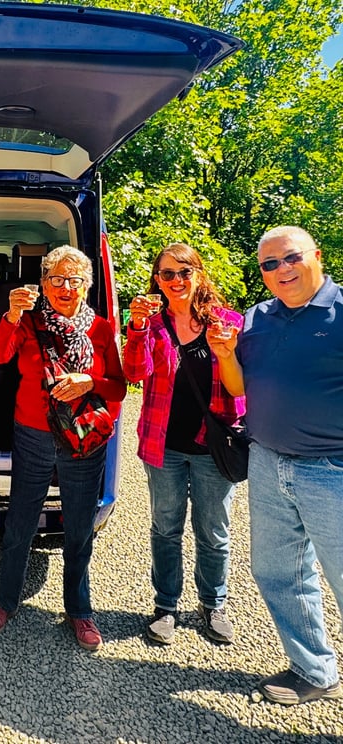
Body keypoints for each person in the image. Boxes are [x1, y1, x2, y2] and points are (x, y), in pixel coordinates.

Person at [210, 226, 343, 704]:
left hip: (332, 470)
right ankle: (313, 671)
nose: (282, 270)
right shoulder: (256, 319)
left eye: (290, 259)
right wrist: (226, 354)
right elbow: (239, 387)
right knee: (279, 572)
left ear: (317, 256)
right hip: (267, 461)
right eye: (269, 265)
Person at [0, 245, 126, 651]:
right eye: (56, 279)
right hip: (33, 433)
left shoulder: (99, 328)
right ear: (43, 284)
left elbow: (119, 385)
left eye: (75, 280)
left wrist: (89, 383)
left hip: (83, 439)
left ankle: (79, 610)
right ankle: (6, 600)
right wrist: (10, 316)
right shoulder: (26, 322)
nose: (65, 288)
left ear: (87, 286)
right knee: (21, 521)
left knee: (79, 527)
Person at [122, 243, 244, 647]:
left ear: (199, 274)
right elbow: (134, 373)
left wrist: (226, 352)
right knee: (166, 528)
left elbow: (241, 391)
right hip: (164, 446)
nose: (176, 281)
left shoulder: (228, 322)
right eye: (167, 274)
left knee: (213, 531)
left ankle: (213, 604)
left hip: (212, 447)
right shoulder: (151, 324)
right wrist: (136, 329)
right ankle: (166, 607)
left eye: (184, 272)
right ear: (157, 280)